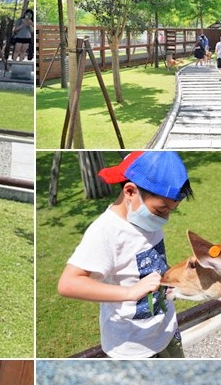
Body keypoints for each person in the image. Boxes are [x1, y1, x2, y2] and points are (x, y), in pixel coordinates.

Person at [56, 151, 193, 358]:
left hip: (166, 331)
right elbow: (68, 283)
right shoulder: (106, 231)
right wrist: (130, 293)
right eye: (161, 211)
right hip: (133, 347)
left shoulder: (145, 219)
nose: (165, 218)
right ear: (130, 191)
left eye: (170, 211)